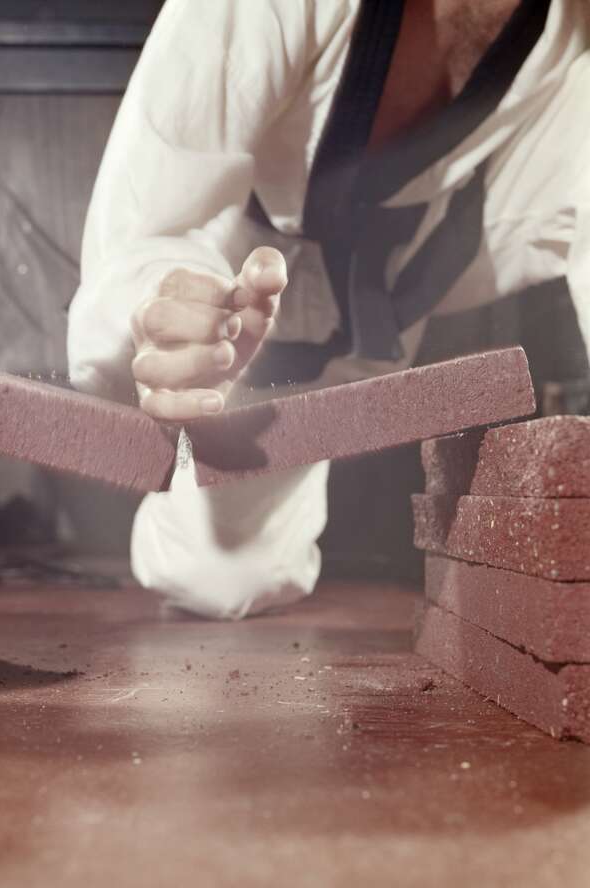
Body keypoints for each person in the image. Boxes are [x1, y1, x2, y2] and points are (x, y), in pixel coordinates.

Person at [68, 0, 590, 619]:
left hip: (423, 259)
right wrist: (174, 319)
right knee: (220, 574)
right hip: (248, 299)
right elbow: (146, 223)